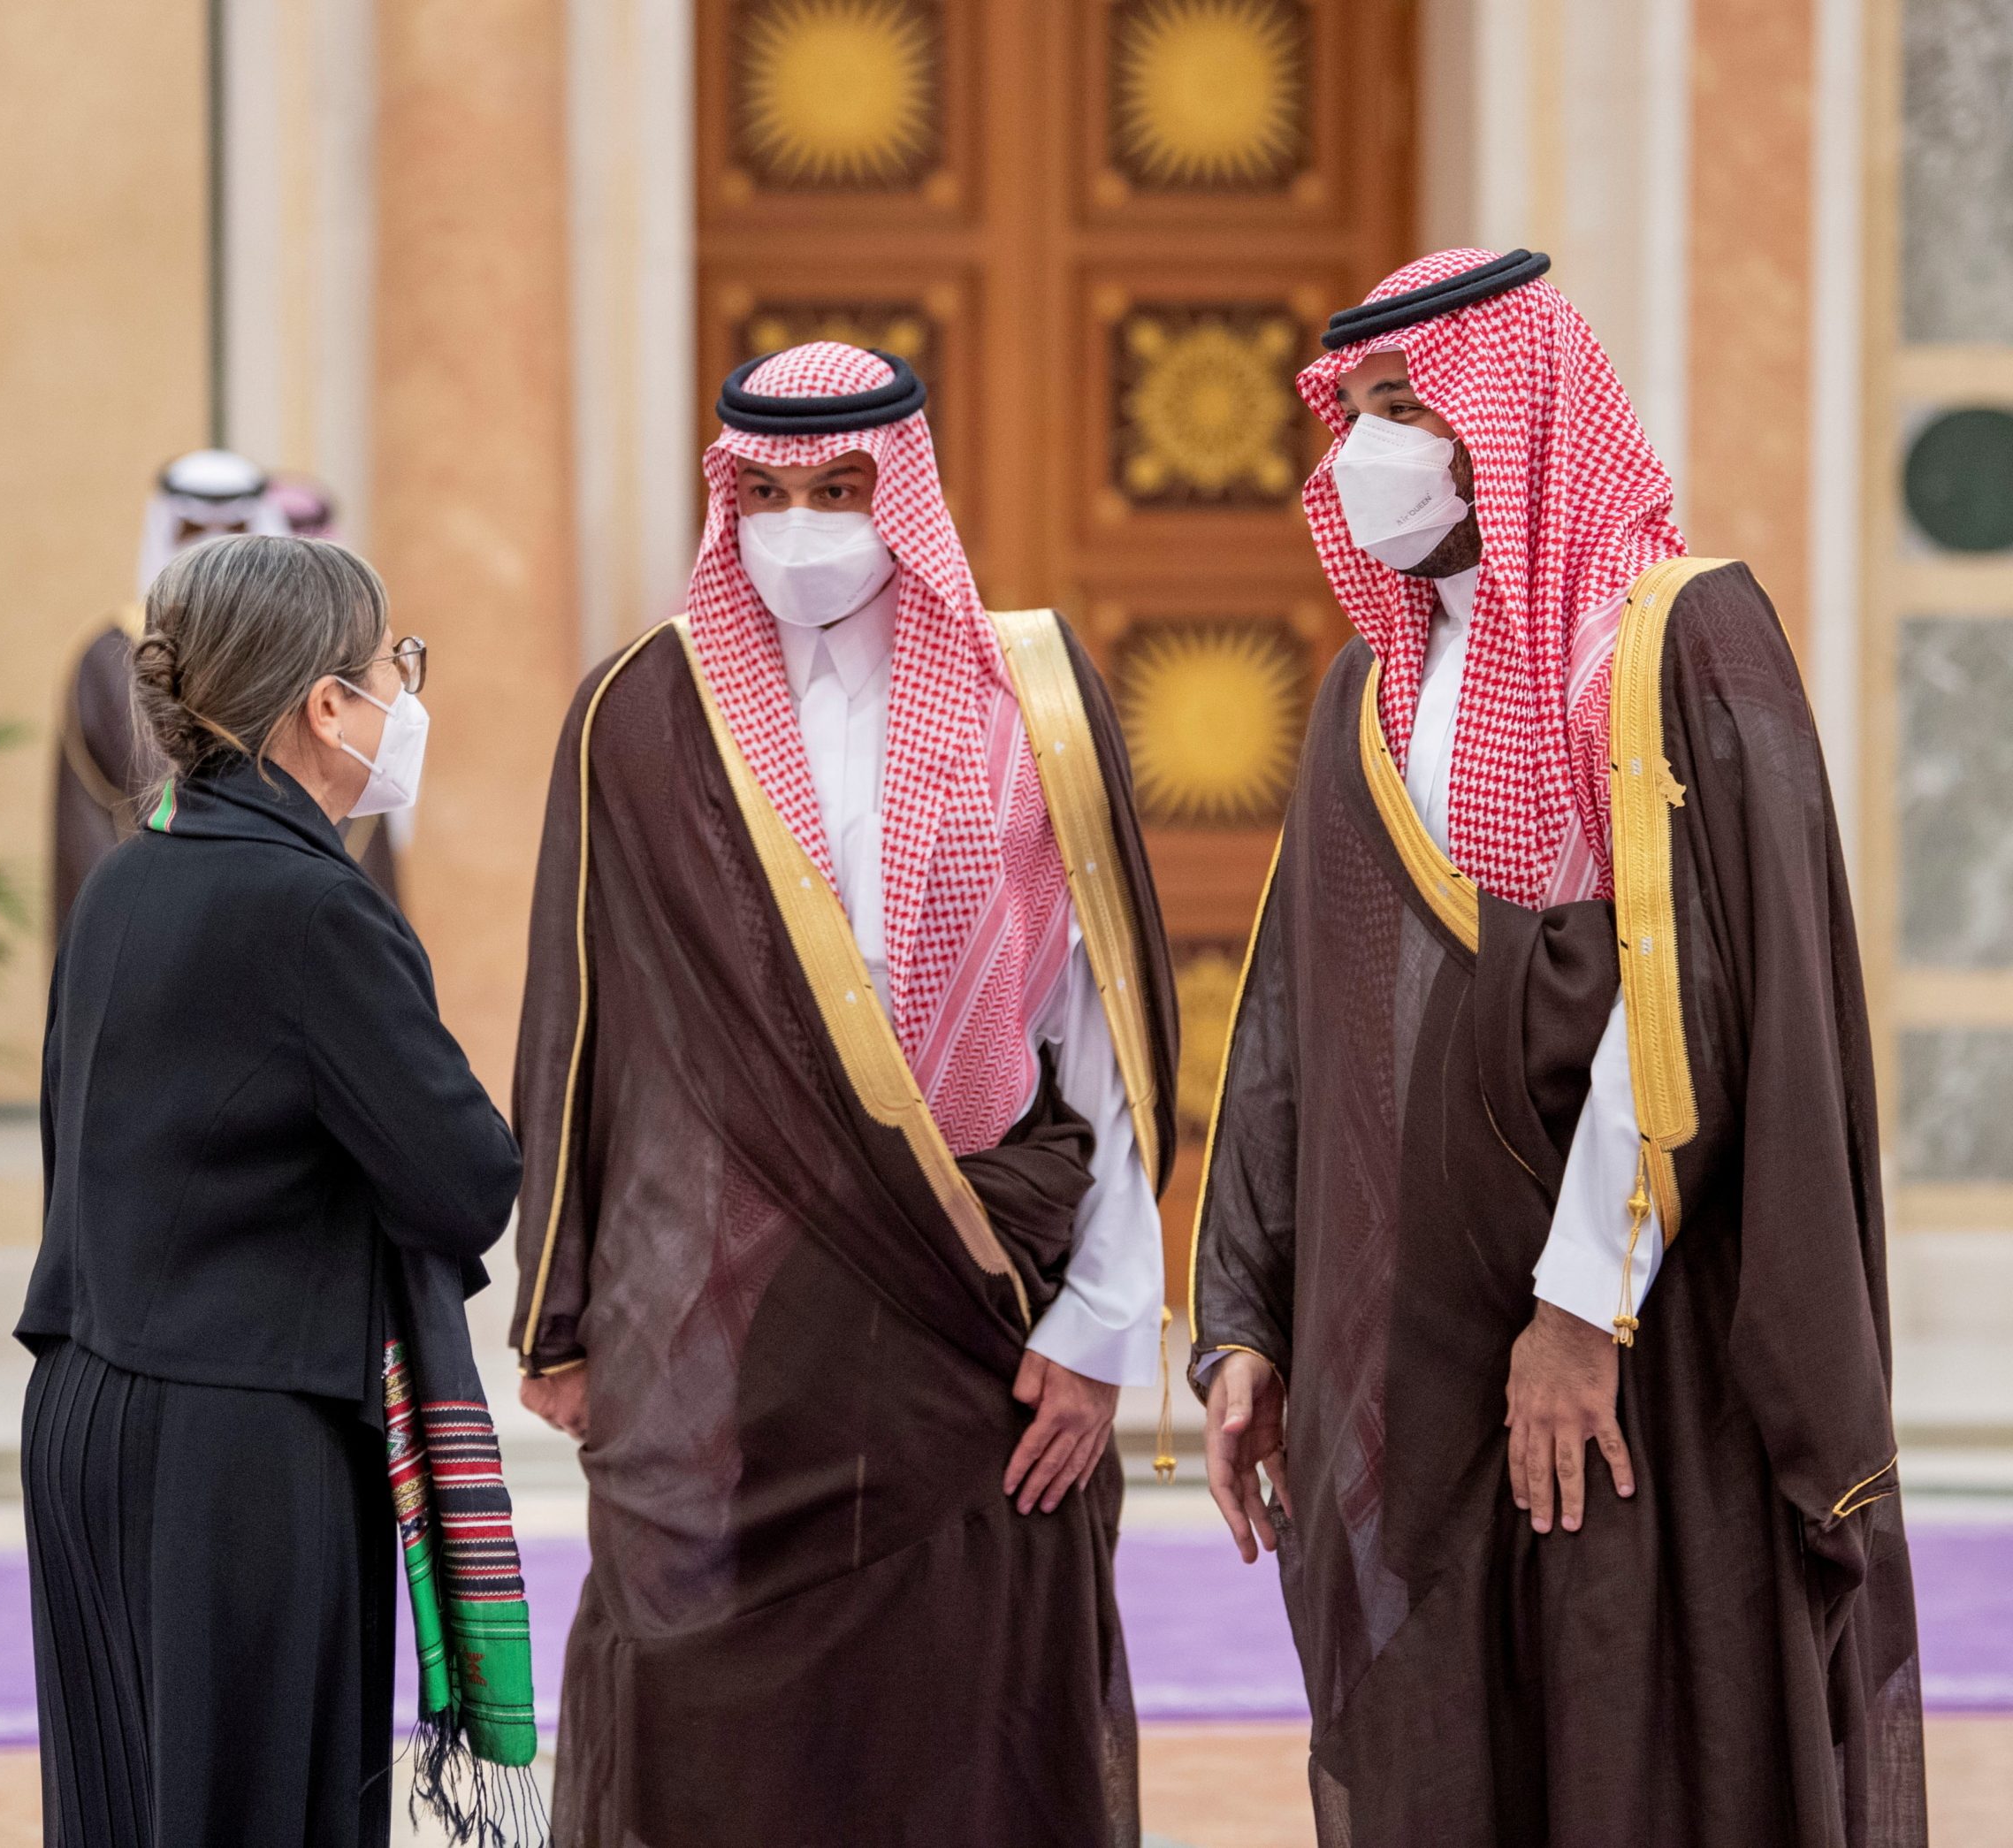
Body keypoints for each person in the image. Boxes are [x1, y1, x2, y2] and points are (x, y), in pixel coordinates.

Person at [1191, 248, 1925, 1845]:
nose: (1370, 447)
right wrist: (1251, 1316)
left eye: (1408, 405)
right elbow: (1304, 1017)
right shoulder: (1370, 686)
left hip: (1639, 1346)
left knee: (1632, 1733)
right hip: (1423, 1349)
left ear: (1512, 409)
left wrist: (1581, 1308)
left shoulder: (1671, 636)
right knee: (1452, 1755)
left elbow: (1692, 987)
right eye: (1353, 413)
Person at [512, 341, 1178, 1847]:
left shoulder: (1030, 696)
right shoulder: (641, 709)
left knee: (964, 1717)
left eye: (839, 488)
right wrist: (563, 1312)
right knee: (707, 1717)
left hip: (979, 1310)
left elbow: (1106, 1038)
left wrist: (1100, 1329)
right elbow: (582, 1020)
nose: (799, 526)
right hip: (720, 1324)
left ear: (907, 490)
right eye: (765, 492)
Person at [17, 535, 526, 1847]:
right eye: (394, 668)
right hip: (237, 1443)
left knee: (123, 1813)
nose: (405, 698)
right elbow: (466, 1178)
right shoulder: (315, 908)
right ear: (325, 705)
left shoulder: (127, 875)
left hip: (83, 1408)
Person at [51, 452, 400, 937]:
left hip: (306, 913)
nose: (213, 546)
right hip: (157, 923)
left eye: (237, 528)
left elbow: (346, 797)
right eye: (192, 530)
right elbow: (136, 804)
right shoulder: (112, 656)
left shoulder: (315, 653)